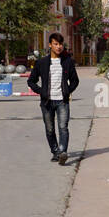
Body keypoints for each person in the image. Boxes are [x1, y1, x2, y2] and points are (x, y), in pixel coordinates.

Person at [27, 32, 80, 165]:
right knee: (50, 129)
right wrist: (41, 92)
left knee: (63, 127)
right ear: (50, 45)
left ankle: (63, 152)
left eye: (60, 44)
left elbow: (75, 81)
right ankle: (55, 151)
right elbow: (31, 81)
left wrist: (67, 91)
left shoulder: (68, 62)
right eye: (55, 44)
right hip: (47, 102)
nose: (58, 47)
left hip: (62, 101)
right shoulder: (42, 63)